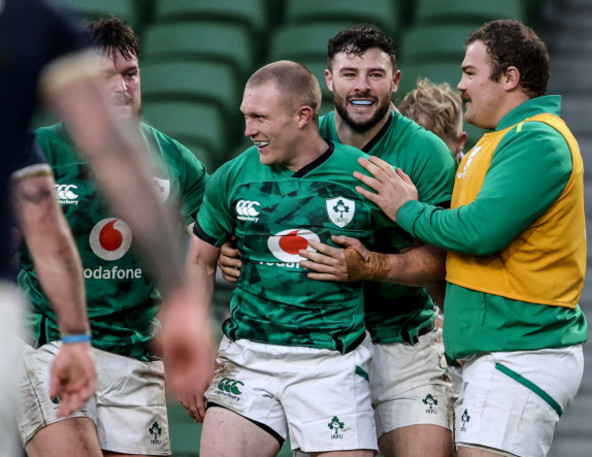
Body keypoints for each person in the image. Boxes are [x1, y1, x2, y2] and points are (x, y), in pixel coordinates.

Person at [218, 26, 458, 457]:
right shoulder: (296, 137)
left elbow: (441, 261)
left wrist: (372, 266)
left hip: (400, 342)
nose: (361, 86)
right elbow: (242, 207)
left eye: (375, 74)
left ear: (395, 81)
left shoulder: (425, 153)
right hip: (315, 352)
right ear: (328, 81)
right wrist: (231, 249)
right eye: (349, 74)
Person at [354, 19, 588, 457]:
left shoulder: (538, 139)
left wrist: (404, 207)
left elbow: (478, 231)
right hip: (495, 353)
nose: (460, 84)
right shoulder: (495, 141)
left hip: (521, 351)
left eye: (471, 72)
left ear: (510, 78)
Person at [16, 17, 209, 457]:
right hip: (50, 344)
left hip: (134, 351)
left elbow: (212, 244)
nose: (122, 88)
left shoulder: (177, 161)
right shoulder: (36, 150)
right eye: (105, 77)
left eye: (131, 74)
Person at [184, 60, 396, 457]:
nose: (249, 131)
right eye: (246, 117)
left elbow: (420, 256)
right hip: (248, 355)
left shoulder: (366, 176)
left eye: (259, 118)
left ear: (303, 116)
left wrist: (373, 265)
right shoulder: (232, 176)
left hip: (332, 361)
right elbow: (199, 260)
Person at [398, 78, 467, 163]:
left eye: (431, 148)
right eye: (409, 143)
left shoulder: (477, 175)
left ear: (460, 142)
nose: (418, 156)